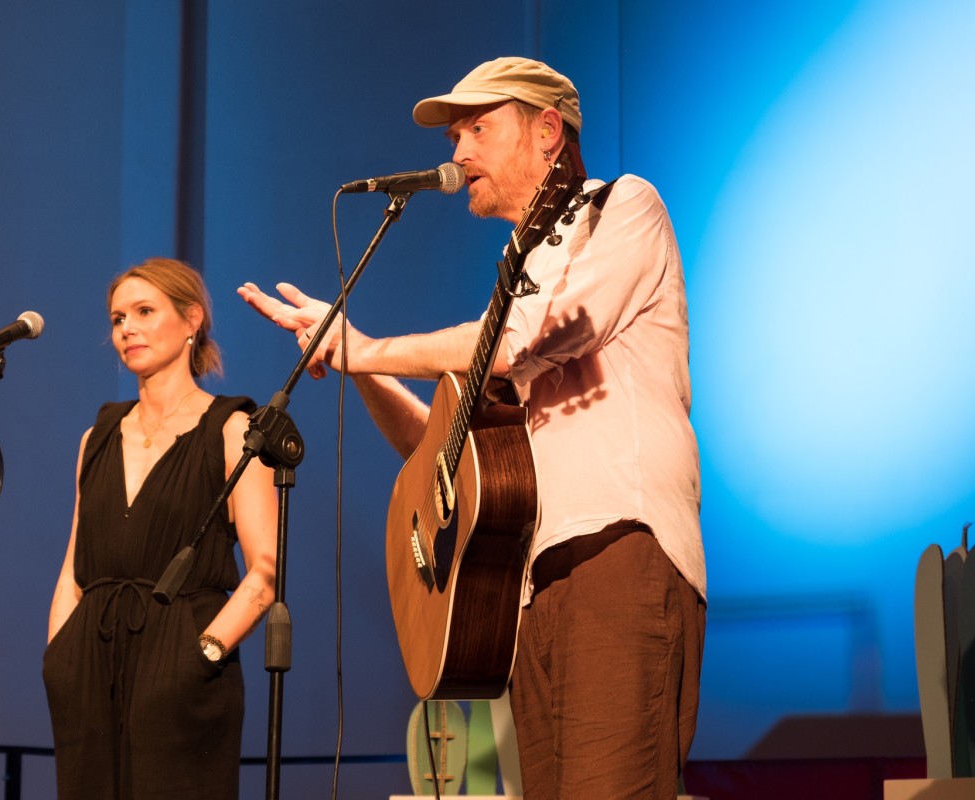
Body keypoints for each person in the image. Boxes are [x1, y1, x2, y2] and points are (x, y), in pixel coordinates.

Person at [239, 57, 706, 799]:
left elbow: (529, 338)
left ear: (547, 131)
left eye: (477, 129)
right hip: (531, 585)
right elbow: (442, 454)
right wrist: (351, 359)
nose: (456, 154)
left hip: (619, 550)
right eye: (455, 135)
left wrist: (368, 346)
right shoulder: (520, 268)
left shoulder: (623, 208)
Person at [43, 257, 277, 800]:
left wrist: (203, 656)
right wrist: (59, 659)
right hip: (88, 666)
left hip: (184, 663)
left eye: (145, 311)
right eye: (118, 317)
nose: (127, 328)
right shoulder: (96, 437)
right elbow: (73, 569)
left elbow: (264, 573)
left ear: (191, 319)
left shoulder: (234, 429)